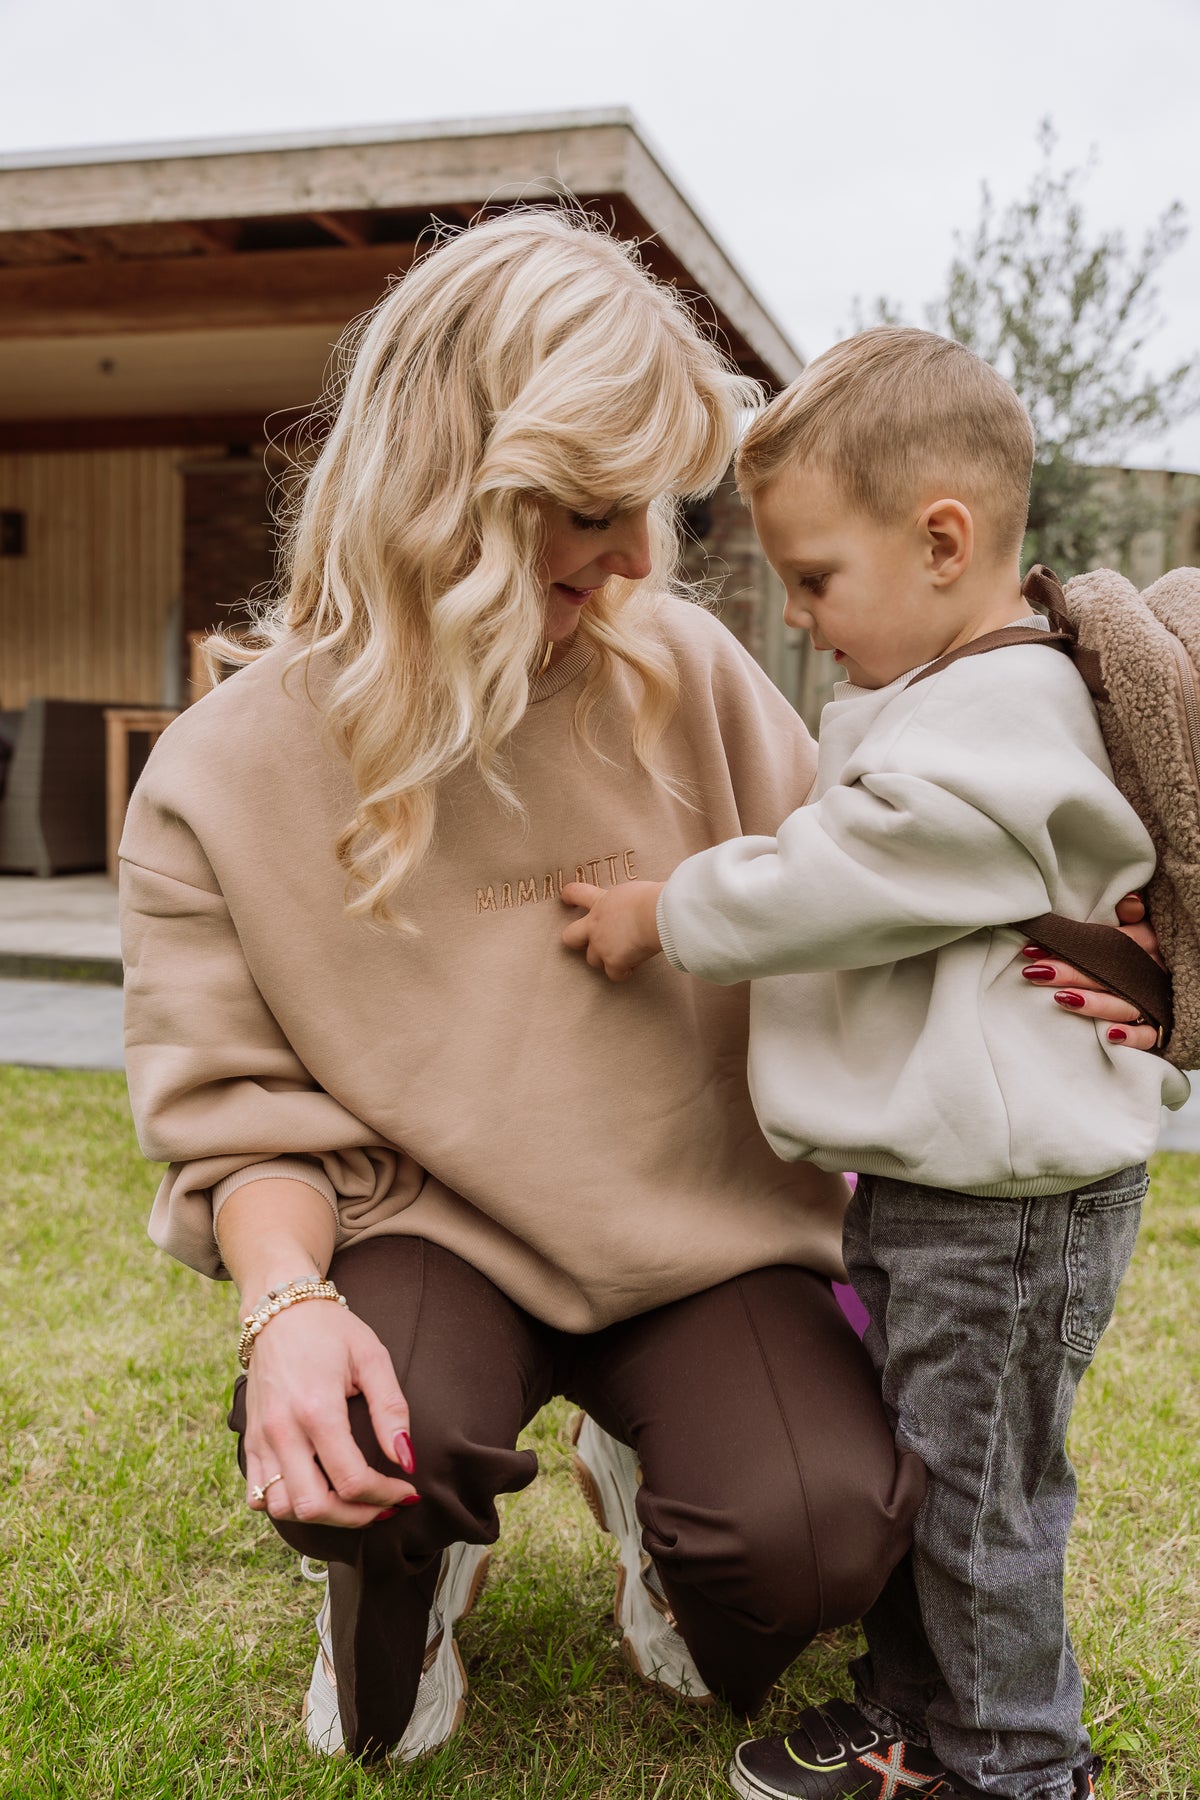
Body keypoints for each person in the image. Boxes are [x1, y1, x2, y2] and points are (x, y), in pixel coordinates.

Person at [120, 223, 1152, 1773]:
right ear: (452, 497)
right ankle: (417, 1565)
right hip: (424, 1230)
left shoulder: (685, 666)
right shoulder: (219, 773)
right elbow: (233, 1115)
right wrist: (286, 1308)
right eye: (594, 513)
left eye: (648, 516)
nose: (629, 561)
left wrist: (1128, 957)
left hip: (696, 1235)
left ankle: (638, 1478)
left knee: (810, 1537)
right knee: (383, 1487)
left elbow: (888, 886)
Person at [560, 327, 1187, 1800]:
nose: (796, 612)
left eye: (817, 578)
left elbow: (844, 872)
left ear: (945, 540)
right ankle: (913, 1712)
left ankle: (1016, 1766)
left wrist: (672, 908)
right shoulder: (948, 694)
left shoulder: (1004, 717)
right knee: (924, 1473)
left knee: (976, 1502)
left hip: (1005, 1218)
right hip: (942, 1193)